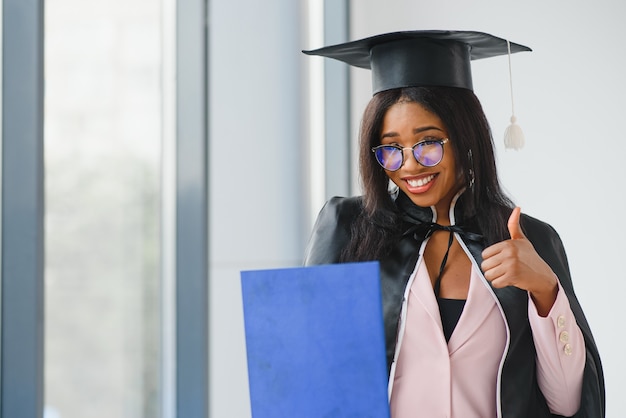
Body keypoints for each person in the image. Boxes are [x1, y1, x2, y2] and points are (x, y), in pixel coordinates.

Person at [302, 31, 604, 417]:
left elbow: (566, 403)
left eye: (428, 142)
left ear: (465, 136)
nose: (409, 165)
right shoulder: (347, 229)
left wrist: (545, 288)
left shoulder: (530, 240)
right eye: (390, 149)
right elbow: (309, 379)